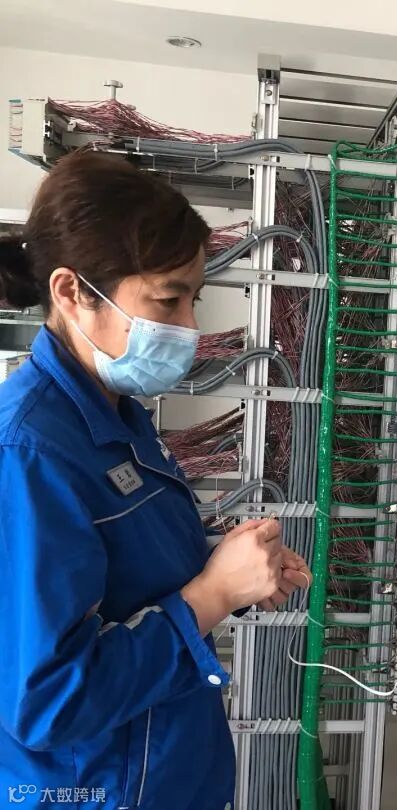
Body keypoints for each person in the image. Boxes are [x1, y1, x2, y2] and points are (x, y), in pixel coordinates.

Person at [0, 150, 311, 810]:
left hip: (166, 768)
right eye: (168, 300)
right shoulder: (29, 453)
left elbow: (121, 573)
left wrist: (230, 566)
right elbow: (50, 702)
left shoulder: (118, 415)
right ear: (71, 292)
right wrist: (214, 593)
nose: (190, 329)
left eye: (194, 299)